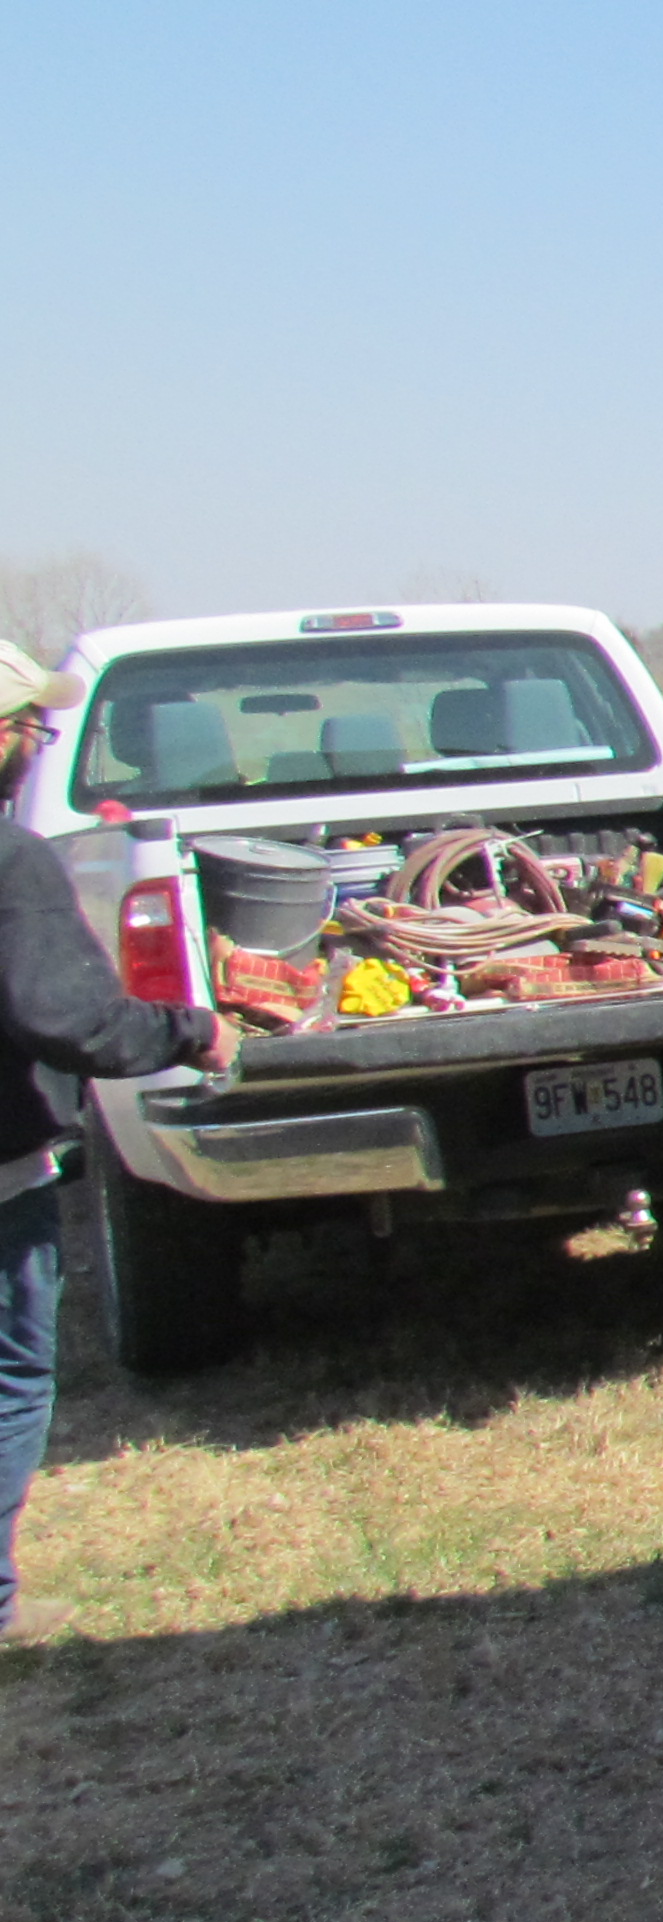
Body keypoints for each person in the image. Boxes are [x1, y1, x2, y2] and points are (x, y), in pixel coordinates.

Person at [0, 639, 238, 1643]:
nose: (35, 742)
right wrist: (193, 1028)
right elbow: (71, 1018)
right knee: (10, 1372)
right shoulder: (10, 858)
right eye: (30, 727)